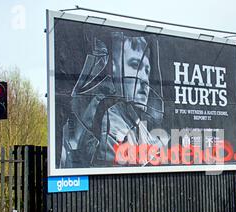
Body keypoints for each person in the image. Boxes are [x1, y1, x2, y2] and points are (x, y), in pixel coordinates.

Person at [60, 32, 165, 168]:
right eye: (134, 65)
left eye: (146, 70)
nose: (144, 79)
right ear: (115, 67)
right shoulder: (109, 118)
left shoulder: (135, 120)